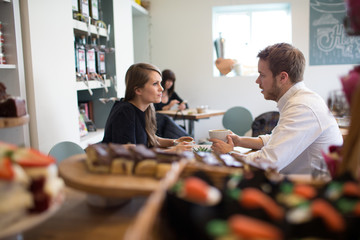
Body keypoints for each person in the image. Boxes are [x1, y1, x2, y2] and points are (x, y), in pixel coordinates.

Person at [211, 43, 343, 174]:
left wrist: (228, 154)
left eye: (262, 75)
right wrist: (239, 141)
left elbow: (268, 163)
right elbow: (278, 139)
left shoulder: (302, 107)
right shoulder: (301, 100)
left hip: (311, 188)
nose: (257, 81)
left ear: (282, 77)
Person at [102, 63, 193, 151]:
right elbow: (132, 155)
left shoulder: (146, 109)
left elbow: (151, 139)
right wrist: (174, 151)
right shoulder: (124, 112)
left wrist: (175, 142)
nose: (161, 88)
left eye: (160, 83)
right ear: (138, 90)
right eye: (155, 84)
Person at [154, 69, 189, 139]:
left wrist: (183, 105)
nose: (170, 83)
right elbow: (155, 109)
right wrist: (169, 106)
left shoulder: (171, 93)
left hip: (167, 124)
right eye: (168, 81)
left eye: (172, 81)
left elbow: (184, 103)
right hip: (157, 124)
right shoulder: (156, 93)